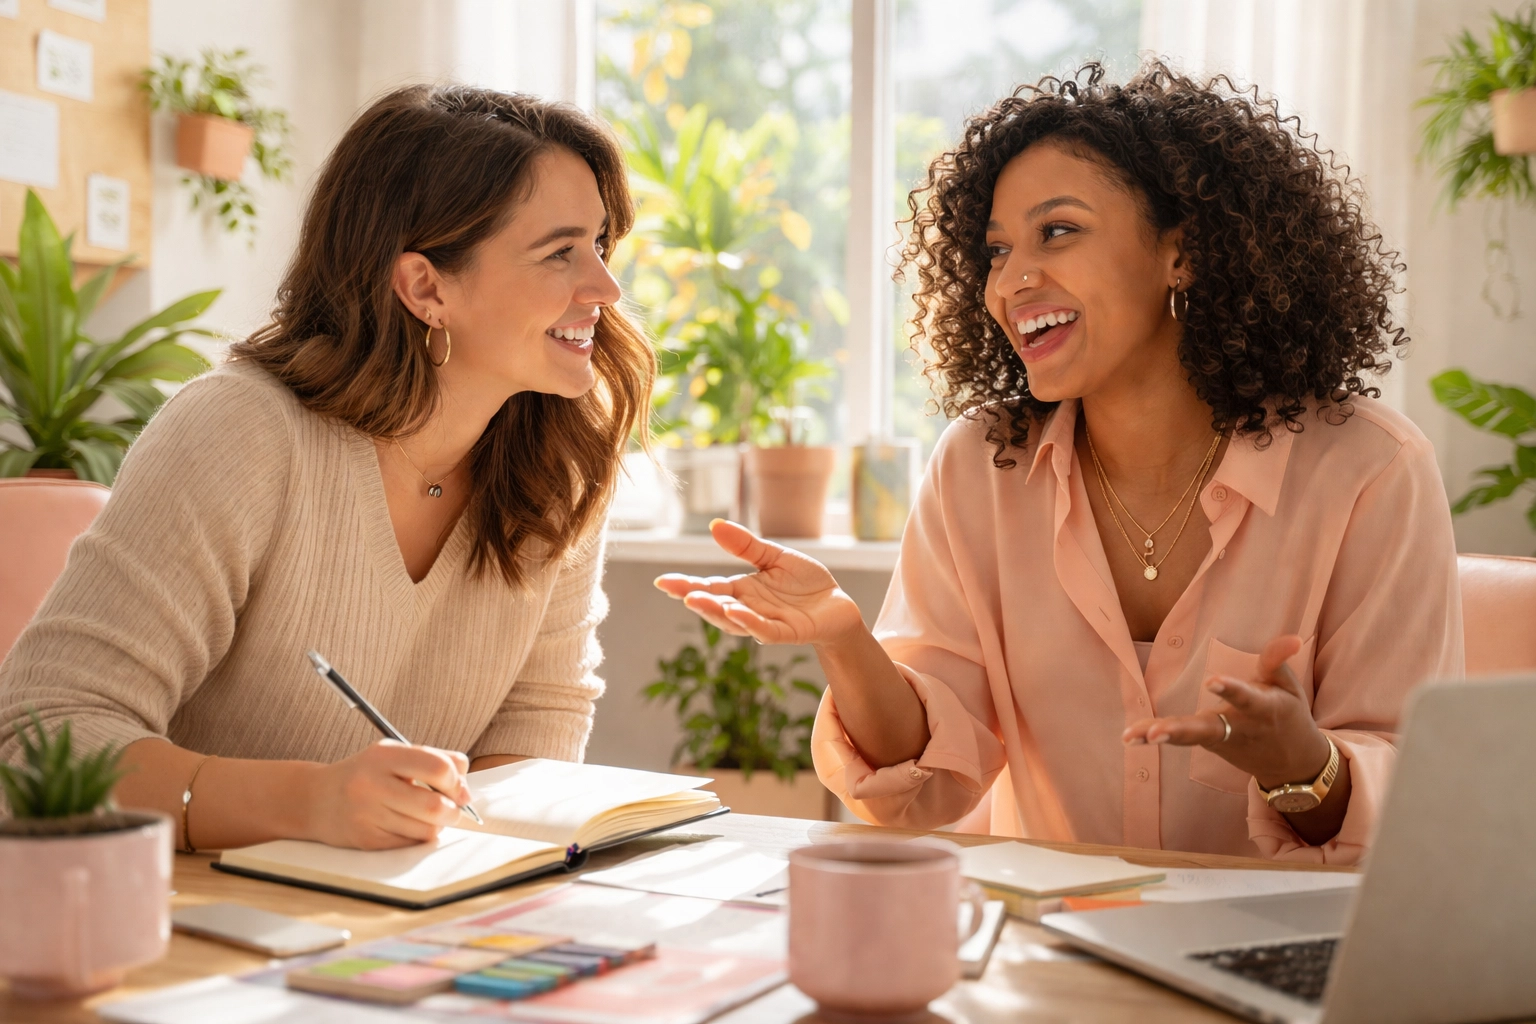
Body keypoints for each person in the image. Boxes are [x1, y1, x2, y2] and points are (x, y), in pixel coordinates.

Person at [656, 63, 1462, 864]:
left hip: (1288, 963)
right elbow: (924, 784)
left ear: (1181, 252)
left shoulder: (1368, 470)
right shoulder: (982, 466)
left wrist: (1304, 767)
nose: (1012, 280)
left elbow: (1415, 808)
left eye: (1059, 231)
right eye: (998, 250)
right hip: (1047, 954)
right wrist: (843, 638)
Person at [0, 85, 653, 852]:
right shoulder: (240, 433)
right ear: (426, 287)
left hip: (397, 927)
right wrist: (308, 803)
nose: (606, 289)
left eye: (601, 246)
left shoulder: (561, 465)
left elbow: (535, 733)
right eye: (561, 252)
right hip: (182, 923)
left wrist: (488, 866)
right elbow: (38, 741)